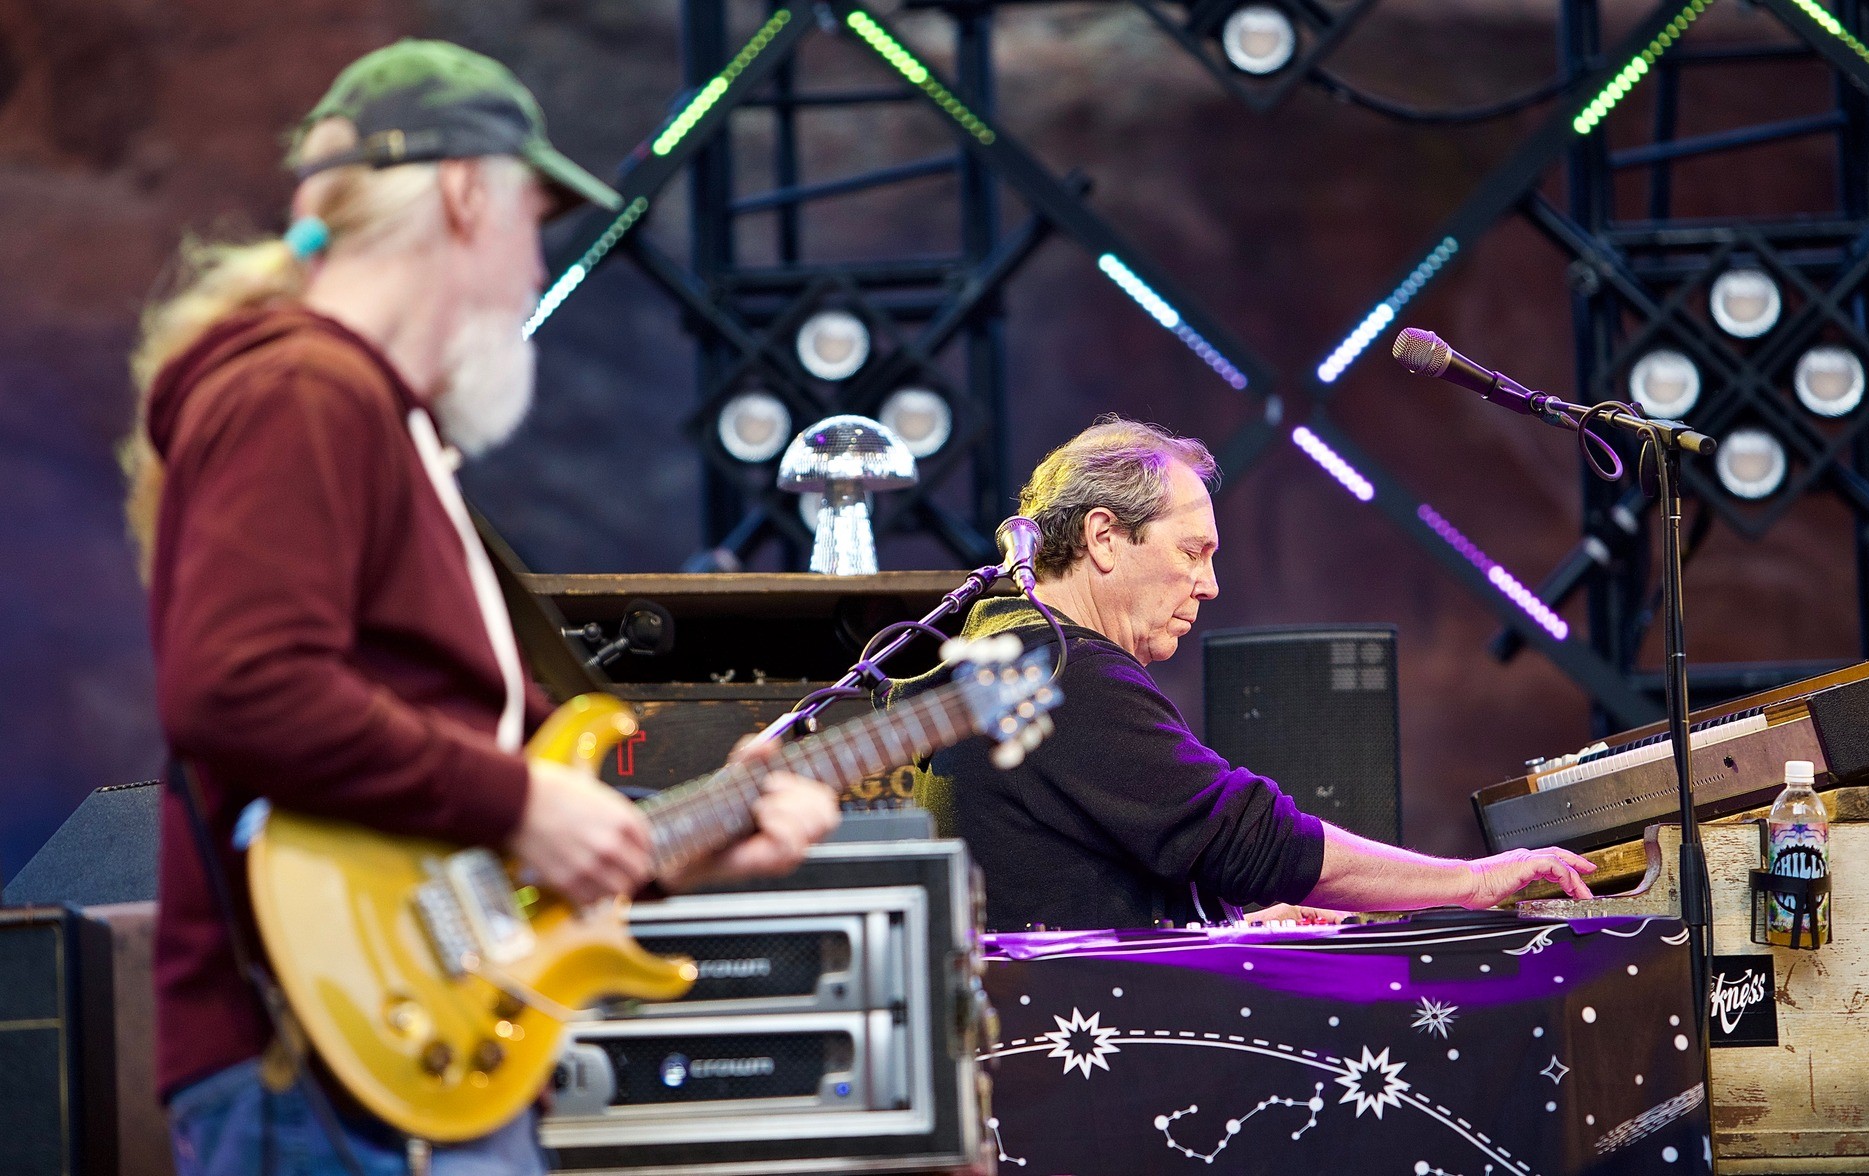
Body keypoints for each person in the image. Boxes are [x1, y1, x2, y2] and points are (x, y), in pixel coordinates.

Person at [124, 40, 841, 1176]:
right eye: (527, 224)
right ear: (464, 193)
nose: (525, 273)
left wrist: (692, 840)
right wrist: (517, 799)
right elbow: (239, 684)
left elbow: (449, 808)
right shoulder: (302, 390)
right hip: (323, 1069)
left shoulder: (372, 416)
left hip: (396, 1060)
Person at [886, 417, 1595, 933]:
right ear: (1104, 538)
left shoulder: (1005, 649)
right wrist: (1469, 882)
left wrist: (1229, 930)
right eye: (1193, 552)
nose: (1210, 584)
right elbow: (1253, 840)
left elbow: (1073, 882)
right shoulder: (1064, 672)